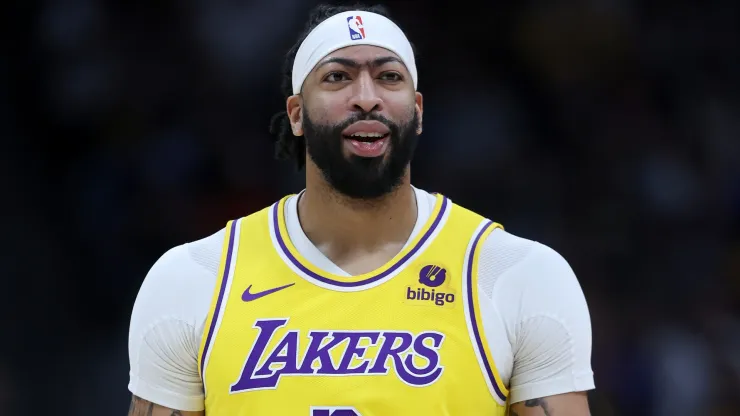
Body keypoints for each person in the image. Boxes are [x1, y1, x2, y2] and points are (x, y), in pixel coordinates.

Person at [127, 4, 595, 416]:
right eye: (338, 76)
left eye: (388, 76)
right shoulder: (193, 279)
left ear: (417, 109)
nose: (367, 96)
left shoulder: (518, 275)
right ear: (295, 114)